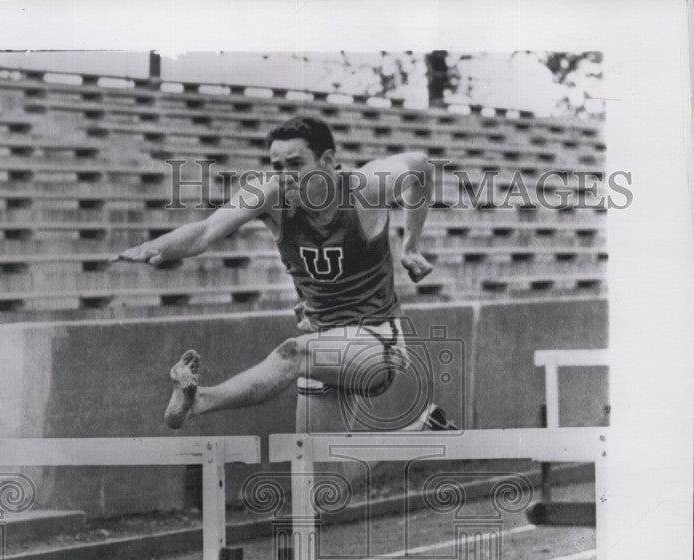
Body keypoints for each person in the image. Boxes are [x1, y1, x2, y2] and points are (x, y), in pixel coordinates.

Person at [114, 115, 452, 433]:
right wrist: (158, 246)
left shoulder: (365, 188)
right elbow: (205, 232)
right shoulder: (271, 195)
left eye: (295, 164)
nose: (285, 175)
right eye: (277, 166)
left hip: (375, 343)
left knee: (293, 352)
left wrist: (411, 245)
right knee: (319, 479)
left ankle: (200, 400)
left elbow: (421, 165)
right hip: (323, 342)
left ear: (327, 160)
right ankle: (421, 431)